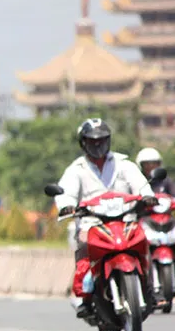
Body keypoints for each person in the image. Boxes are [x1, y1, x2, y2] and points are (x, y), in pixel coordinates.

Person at [54, 118, 157, 318]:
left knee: (146, 241)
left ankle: (152, 287)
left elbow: (141, 184)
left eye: (102, 140)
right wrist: (67, 206)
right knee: (83, 245)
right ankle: (83, 295)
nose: (98, 145)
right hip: (92, 223)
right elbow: (66, 192)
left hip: (126, 220)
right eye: (92, 141)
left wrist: (148, 196)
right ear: (83, 143)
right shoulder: (76, 169)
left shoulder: (123, 164)